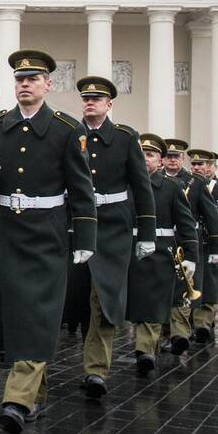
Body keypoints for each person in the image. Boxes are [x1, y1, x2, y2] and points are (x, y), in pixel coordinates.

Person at [0, 50, 96, 434]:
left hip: (46, 230)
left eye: (32, 79)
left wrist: (85, 237)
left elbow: (81, 188)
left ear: (48, 84)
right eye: (19, 79)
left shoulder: (66, 128)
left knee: (38, 312)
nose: (24, 84)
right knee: (10, 311)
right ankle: (35, 394)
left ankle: (17, 398)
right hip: (6, 229)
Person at [70, 77, 155, 401]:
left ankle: (96, 370)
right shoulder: (70, 134)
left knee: (103, 298)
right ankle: (88, 360)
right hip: (76, 224)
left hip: (112, 228)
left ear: (109, 104)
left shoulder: (124, 138)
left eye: (97, 98)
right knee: (78, 298)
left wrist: (146, 232)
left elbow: (142, 187)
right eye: (86, 98)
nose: (90, 102)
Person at [126, 134, 197, 376]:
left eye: (151, 155)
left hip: (159, 251)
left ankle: (145, 350)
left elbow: (186, 225)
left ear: (159, 161)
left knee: (152, 302)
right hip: (129, 249)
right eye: (142, 154)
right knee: (134, 301)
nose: (145, 159)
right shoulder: (125, 185)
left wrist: (191, 256)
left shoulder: (172, 187)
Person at [161, 139, 218, 354]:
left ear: (182, 159)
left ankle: (179, 334)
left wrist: (216, 248)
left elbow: (211, 216)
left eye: (176, 157)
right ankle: (164, 332)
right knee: (162, 287)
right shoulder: (155, 179)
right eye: (168, 156)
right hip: (164, 241)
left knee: (183, 287)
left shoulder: (195, 182)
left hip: (187, 242)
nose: (172, 160)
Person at [187, 150, 218, 342]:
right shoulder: (186, 184)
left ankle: (204, 322)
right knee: (191, 281)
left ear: (210, 167)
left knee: (210, 282)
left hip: (211, 239)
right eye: (194, 164)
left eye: (201, 164)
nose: (197, 168)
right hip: (193, 239)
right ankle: (191, 320)